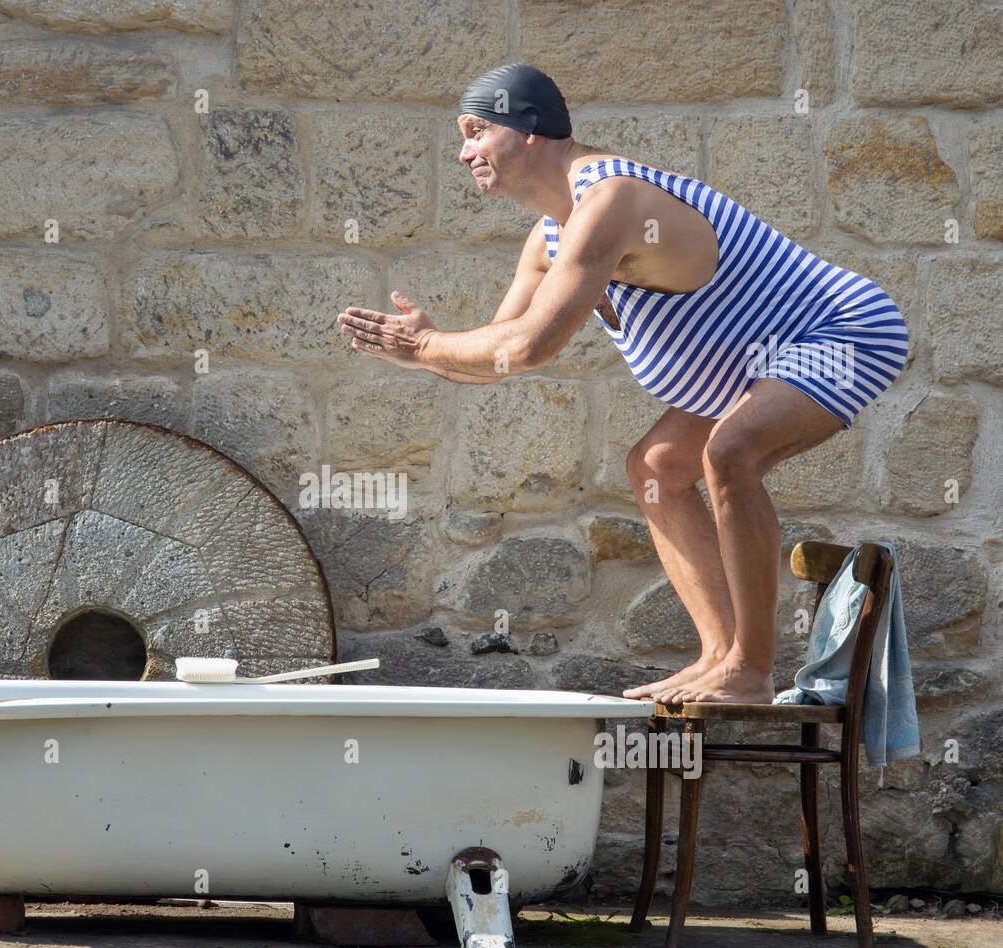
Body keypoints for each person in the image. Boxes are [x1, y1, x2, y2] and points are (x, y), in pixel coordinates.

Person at [336, 62, 909, 704]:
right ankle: (719, 656)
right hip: (761, 360)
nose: (463, 151)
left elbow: (528, 347)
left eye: (475, 131)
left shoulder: (611, 198)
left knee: (729, 452)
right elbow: (496, 356)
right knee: (657, 468)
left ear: (527, 128)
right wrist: (423, 353)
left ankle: (751, 670)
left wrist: (424, 346)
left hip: (843, 332)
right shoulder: (547, 239)